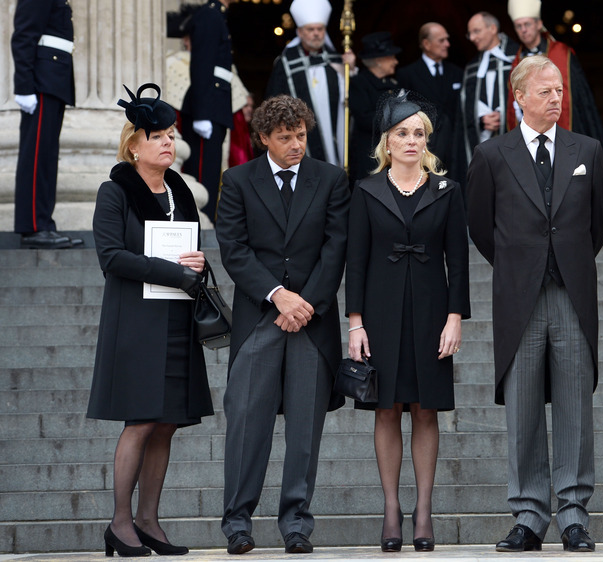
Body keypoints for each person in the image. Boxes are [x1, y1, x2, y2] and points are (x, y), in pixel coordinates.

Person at [467, 55, 603, 553]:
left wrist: (563, 261)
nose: (556, 98)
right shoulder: (491, 155)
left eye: (560, 90)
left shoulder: (587, 149)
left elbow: (599, 225)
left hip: (571, 293)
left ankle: (573, 514)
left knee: (575, 406)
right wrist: (520, 263)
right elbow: (482, 229)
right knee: (523, 407)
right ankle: (529, 515)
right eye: (546, 91)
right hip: (518, 298)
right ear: (519, 97)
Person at [215, 95, 351, 555]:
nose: (296, 144)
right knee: (246, 426)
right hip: (260, 318)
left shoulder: (331, 179)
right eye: (286, 137)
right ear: (264, 139)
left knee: (304, 432)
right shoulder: (236, 180)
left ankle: (296, 523)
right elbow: (233, 248)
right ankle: (237, 522)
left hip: (312, 321)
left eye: (301, 135)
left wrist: (305, 303)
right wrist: (279, 296)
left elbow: (336, 248)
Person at [87, 83, 214, 557]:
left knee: (167, 424)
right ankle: (120, 523)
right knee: (140, 421)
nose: (168, 141)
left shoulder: (180, 189)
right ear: (134, 144)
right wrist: (174, 272)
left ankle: (149, 521)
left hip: (178, 320)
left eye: (171, 134)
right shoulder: (114, 190)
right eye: (158, 135)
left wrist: (196, 266)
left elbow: (190, 252)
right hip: (137, 321)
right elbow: (111, 257)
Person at [346, 90, 471, 553]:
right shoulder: (365, 190)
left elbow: (458, 261)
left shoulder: (447, 190)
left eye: (419, 133)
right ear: (387, 141)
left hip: (431, 312)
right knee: (386, 408)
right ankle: (391, 509)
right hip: (379, 313)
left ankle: (423, 510)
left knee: (425, 408)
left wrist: (455, 318)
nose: (412, 140)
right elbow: (354, 262)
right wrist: (355, 323)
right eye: (402, 133)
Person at [505, 0, 603, 202]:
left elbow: (580, 100)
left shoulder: (562, 54)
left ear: (538, 24)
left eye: (528, 24)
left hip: (562, 130)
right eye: (519, 26)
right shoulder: (516, 61)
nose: (523, 30)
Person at [11, 0, 82, 249]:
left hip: (53, 79)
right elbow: (23, 36)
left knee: (46, 157)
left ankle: (43, 224)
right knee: (36, 157)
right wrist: (23, 87)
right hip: (42, 81)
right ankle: (33, 227)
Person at [264, 0, 355, 168]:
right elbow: (274, 103)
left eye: (320, 29)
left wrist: (351, 69)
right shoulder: (286, 63)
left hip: (334, 132)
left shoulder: (336, 59)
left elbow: (351, 94)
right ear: (300, 32)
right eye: (310, 29)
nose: (316, 34)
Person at [180, 0, 233, 223]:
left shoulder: (217, 15)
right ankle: (200, 226)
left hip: (215, 104)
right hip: (208, 106)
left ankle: (206, 223)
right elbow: (201, 64)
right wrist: (201, 113)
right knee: (203, 176)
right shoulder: (210, 16)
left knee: (211, 176)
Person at [395, 23, 465, 177]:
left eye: (447, 39)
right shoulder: (407, 75)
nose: (447, 44)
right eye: (441, 40)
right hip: (424, 150)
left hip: (454, 149)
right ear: (426, 44)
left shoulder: (457, 72)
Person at [460, 12, 519, 165]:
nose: (472, 38)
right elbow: (464, 108)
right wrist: (480, 120)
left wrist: (507, 115)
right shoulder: (472, 67)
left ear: (492, 28)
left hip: (514, 142)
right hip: (484, 145)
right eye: (470, 33)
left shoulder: (518, 57)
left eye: (476, 31)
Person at [350, 32, 401, 186]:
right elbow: (364, 118)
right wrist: (396, 117)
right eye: (391, 57)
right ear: (379, 61)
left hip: (393, 157)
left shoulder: (394, 85)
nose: (396, 61)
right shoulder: (359, 83)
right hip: (370, 157)